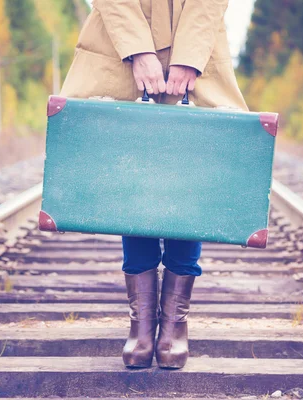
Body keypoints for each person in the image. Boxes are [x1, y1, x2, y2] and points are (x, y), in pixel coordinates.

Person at [60, 0, 248, 369]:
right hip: (119, 49)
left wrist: (190, 54)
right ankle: (141, 324)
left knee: (190, 175)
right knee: (135, 177)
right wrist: (137, 49)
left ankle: (175, 323)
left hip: (198, 50)